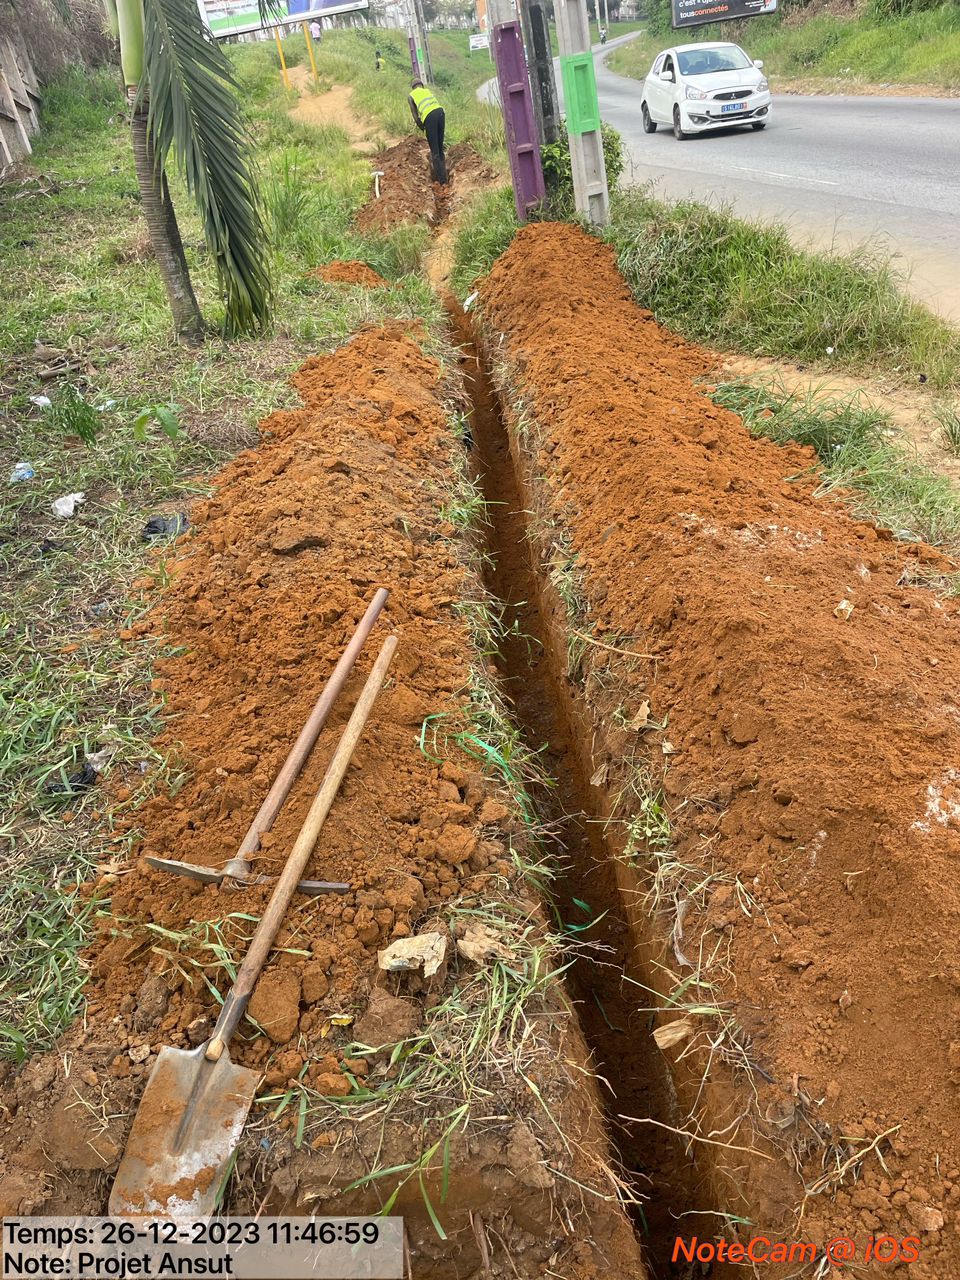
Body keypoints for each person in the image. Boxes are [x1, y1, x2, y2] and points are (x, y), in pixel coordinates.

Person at [408, 78, 447, 186]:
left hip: (430, 118)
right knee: (440, 148)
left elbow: (416, 117)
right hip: (441, 113)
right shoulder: (427, 91)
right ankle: (445, 176)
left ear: (413, 88)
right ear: (422, 85)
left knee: (434, 151)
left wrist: (423, 128)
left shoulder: (411, 96)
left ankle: (442, 182)